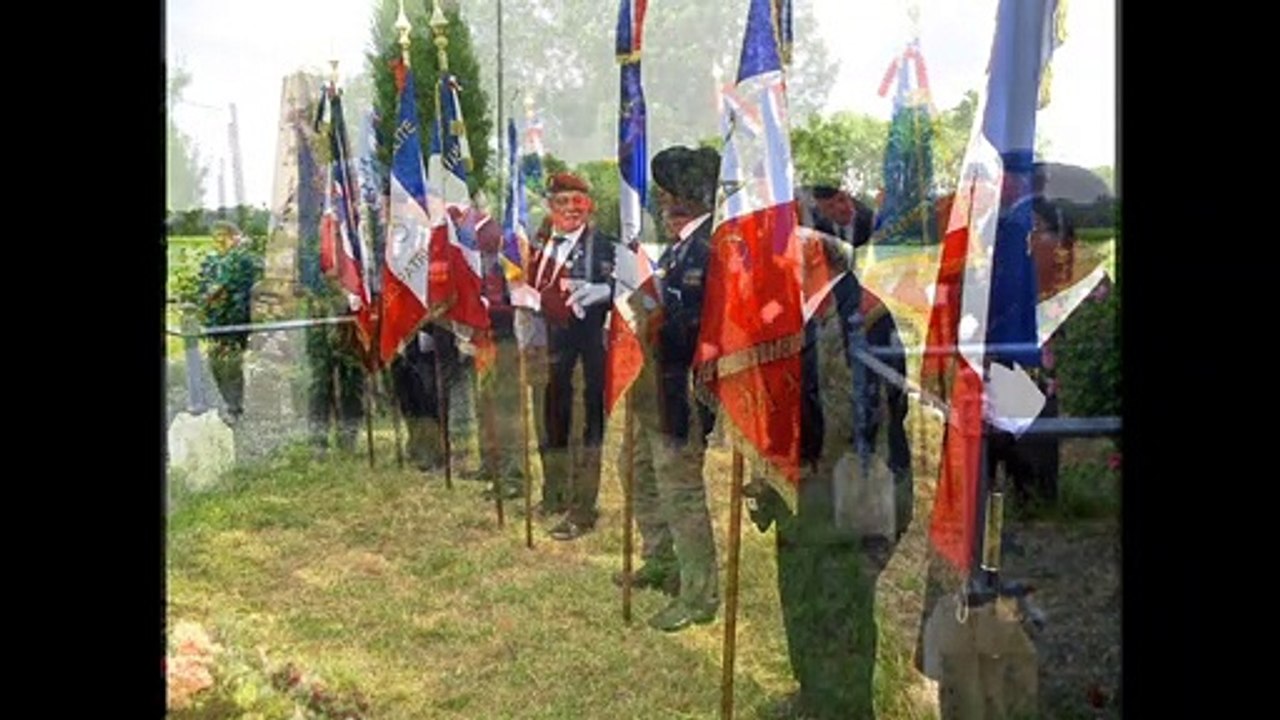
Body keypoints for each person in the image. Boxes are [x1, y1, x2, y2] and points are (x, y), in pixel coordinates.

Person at [744, 210, 913, 719]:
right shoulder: (803, 311)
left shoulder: (862, 314)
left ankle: (843, 709)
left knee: (839, 613)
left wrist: (788, 463)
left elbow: (854, 419)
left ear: (816, 251)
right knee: (800, 598)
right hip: (809, 488)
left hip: (850, 493)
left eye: (788, 243)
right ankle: (813, 696)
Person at [612, 145, 721, 632]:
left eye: (670, 194)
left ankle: (699, 593)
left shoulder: (708, 250)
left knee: (680, 492)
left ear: (690, 199)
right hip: (653, 387)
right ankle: (661, 559)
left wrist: (652, 310)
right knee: (634, 470)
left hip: (681, 393)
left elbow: (695, 329)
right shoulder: (679, 248)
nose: (663, 203)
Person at [526, 172, 616, 540]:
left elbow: (628, 291)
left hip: (588, 355)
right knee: (550, 423)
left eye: (577, 203)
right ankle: (554, 493)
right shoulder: (540, 244)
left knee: (583, 428)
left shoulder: (605, 246)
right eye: (562, 202)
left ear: (589, 206)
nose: (570, 210)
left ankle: (582, 509)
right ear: (551, 207)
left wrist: (605, 290)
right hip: (547, 350)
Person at [194, 222, 262, 424]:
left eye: (224, 235)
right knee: (215, 364)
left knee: (230, 365)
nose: (219, 240)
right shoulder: (211, 260)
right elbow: (203, 285)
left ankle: (234, 409)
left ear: (234, 236)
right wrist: (202, 302)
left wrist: (204, 299)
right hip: (214, 323)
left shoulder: (242, 259)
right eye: (216, 236)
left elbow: (220, 285)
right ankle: (228, 404)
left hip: (234, 322)